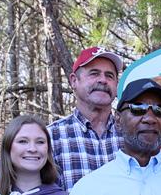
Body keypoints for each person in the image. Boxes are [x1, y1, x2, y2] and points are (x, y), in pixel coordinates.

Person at [50, 44, 123, 186]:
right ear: (74, 81)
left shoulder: (130, 135)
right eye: (94, 73)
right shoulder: (51, 137)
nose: (103, 80)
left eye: (109, 76)